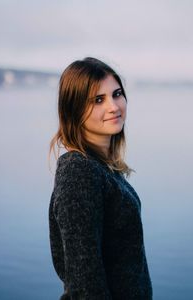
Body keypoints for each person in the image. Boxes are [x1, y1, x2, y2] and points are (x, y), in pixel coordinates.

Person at [48, 57, 153, 300]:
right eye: (98, 100)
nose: (114, 106)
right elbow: (84, 282)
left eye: (117, 94)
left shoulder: (101, 167)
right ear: (73, 110)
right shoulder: (78, 171)